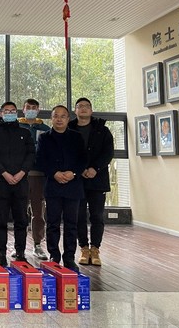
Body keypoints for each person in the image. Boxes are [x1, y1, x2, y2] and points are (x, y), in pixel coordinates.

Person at [36, 105, 87, 271]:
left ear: (68, 119)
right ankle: (54, 255)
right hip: (53, 185)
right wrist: (54, 173)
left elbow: (83, 159)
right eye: (56, 116)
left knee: (72, 224)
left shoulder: (77, 137)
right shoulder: (44, 137)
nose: (59, 119)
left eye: (63, 116)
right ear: (51, 118)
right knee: (53, 223)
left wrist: (73, 173)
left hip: (73, 186)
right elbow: (40, 160)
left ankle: (69, 257)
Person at [0, 102, 36, 267]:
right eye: (6, 111)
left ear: (17, 113)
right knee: (0, 219)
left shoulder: (25, 132)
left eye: (12, 111)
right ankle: (1, 254)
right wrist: (4, 173)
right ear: (1, 113)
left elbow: (31, 154)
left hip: (21, 181)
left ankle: (20, 252)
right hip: (2, 181)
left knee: (21, 218)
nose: (9, 113)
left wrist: (22, 172)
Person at [69, 98, 114, 267]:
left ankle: (95, 249)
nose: (83, 109)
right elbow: (67, 152)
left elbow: (108, 153)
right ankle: (84, 248)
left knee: (97, 216)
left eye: (87, 106)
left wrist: (95, 168)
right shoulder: (69, 128)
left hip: (97, 178)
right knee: (79, 216)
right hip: (76, 179)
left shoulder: (102, 130)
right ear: (75, 111)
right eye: (80, 106)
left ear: (91, 110)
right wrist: (78, 169)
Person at [18, 98, 50, 261]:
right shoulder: (16, 127)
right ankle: (19, 246)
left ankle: (38, 244)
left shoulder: (45, 129)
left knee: (38, 212)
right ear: (23, 110)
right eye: (28, 107)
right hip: (20, 175)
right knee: (20, 211)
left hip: (39, 175)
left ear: (38, 110)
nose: (31, 110)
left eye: (34, 107)